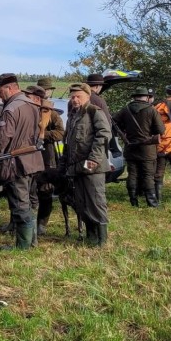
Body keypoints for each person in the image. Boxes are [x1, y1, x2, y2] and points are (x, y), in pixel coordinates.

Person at [0, 73, 44, 250]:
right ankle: (32, 241)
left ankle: (23, 246)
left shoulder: (11, 109)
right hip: (32, 161)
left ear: (10, 87)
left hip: (16, 163)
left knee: (20, 204)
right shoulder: (33, 105)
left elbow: (3, 138)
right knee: (28, 201)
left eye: (0, 91)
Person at [62, 84, 112, 246]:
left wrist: (94, 159)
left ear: (87, 96)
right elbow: (68, 142)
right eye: (72, 97)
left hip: (92, 166)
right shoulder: (72, 116)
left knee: (96, 201)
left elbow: (104, 134)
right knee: (82, 202)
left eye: (78, 96)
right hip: (76, 167)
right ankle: (91, 235)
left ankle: (101, 239)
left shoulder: (94, 112)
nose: (75, 100)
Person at [113, 86, 165, 207]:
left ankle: (133, 201)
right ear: (146, 97)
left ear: (134, 97)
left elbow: (114, 123)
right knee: (148, 175)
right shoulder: (151, 110)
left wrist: (124, 133)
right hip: (147, 149)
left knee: (132, 174)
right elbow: (160, 130)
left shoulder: (125, 109)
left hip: (130, 147)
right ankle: (152, 203)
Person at [24, 85, 65, 235]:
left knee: (45, 191)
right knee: (26, 191)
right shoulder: (25, 110)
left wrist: (42, 135)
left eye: (28, 95)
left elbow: (60, 133)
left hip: (46, 156)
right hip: (27, 155)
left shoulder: (50, 113)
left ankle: (41, 224)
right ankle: (21, 223)